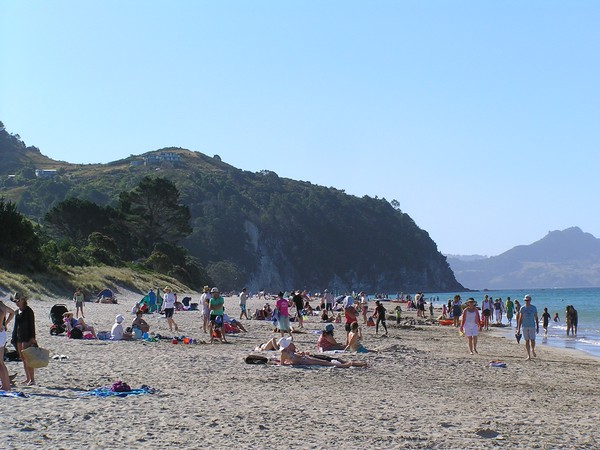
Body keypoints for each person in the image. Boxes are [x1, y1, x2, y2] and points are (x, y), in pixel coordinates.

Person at [278, 337, 367, 368]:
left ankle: (355, 364)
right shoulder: (284, 353)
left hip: (303, 359)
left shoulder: (287, 352)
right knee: (324, 363)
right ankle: (344, 365)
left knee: (324, 362)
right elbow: (282, 364)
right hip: (303, 361)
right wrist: (292, 363)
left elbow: (284, 362)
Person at [11, 292, 37, 385]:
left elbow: (32, 325)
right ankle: (27, 378)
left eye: (18, 301)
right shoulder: (17, 311)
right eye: (15, 301)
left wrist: (33, 337)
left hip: (27, 337)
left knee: (28, 358)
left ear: (23, 300)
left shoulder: (28, 311)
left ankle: (32, 379)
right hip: (18, 337)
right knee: (23, 358)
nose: (17, 303)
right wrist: (13, 337)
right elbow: (15, 326)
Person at [516, 294, 538, 360]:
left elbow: (536, 317)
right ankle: (529, 355)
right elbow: (520, 318)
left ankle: (533, 349)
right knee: (527, 341)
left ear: (530, 300)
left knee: (533, 340)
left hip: (532, 326)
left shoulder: (533, 308)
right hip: (524, 326)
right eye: (526, 300)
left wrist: (537, 326)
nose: (527, 301)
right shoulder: (522, 308)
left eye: (528, 300)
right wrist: (518, 329)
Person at [0, 298, 15, 391]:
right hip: (2, 333)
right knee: (1, 362)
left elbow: (1, 313)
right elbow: (12, 312)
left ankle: (6, 386)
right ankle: (6, 386)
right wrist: (5, 323)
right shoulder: (2, 305)